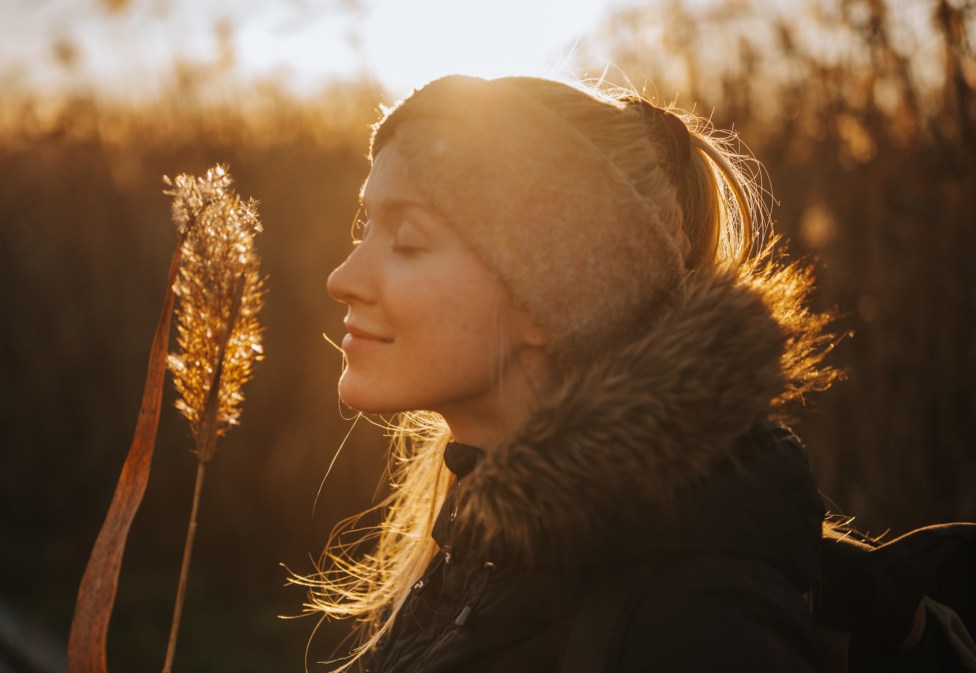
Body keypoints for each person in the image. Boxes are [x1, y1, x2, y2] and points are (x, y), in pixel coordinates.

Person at [295, 74, 842, 672]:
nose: (342, 277)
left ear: (552, 298)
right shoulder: (480, 554)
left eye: (405, 239)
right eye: (364, 226)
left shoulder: (694, 622)